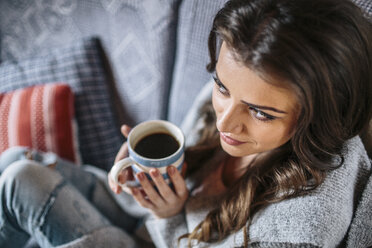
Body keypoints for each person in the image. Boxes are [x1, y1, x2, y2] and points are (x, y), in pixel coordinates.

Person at [0, 0, 371, 247]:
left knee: (21, 180)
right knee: (13, 157)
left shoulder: (301, 226)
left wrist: (170, 216)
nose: (226, 121)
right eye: (221, 87)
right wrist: (146, 185)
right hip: (144, 221)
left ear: (319, 116)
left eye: (260, 113)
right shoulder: (234, 88)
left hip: (165, 236)